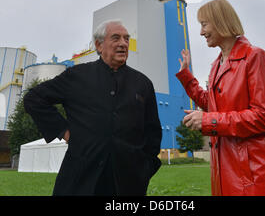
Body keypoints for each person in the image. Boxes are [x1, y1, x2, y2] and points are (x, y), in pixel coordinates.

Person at [24, 20, 162, 196]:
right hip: (80, 179)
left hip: (127, 183)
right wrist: (63, 131)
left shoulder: (143, 84)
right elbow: (34, 99)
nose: (123, 43)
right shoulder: (76, 76)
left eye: (126, 39)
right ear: (99, 45)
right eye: (116, 38)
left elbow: (153, 133)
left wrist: (144, 169)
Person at [176, 0, 265, 196]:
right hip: (224, 169)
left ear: (220, 21)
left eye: (204, 24)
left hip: (253, 174)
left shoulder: (254, 57)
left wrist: (207, 120)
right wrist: (186, 77)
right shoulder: (216, 66)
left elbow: (263, 117)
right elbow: (212, 105)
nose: (201, 32)